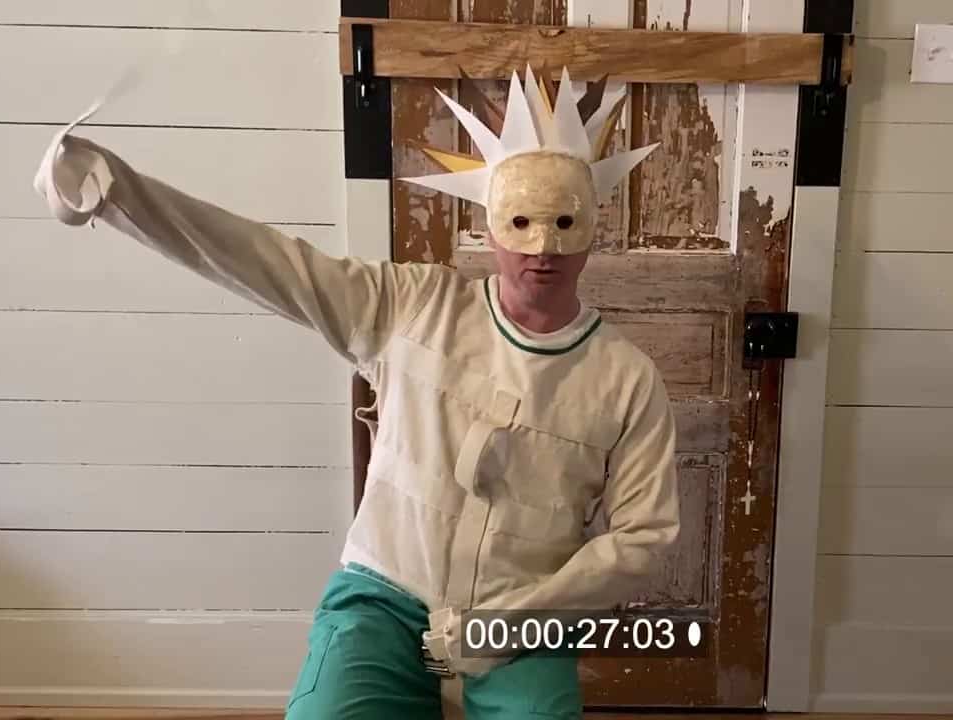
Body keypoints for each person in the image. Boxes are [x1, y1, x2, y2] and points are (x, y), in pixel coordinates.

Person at [33, 65, 680, 720]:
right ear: (489, 224)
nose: (543, 247)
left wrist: (515, 620)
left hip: (524, 623)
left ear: (594, 224)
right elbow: (271, 263)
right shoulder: (413, 306)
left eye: (565, 222)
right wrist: (121, 194)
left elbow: (643, 536)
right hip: (383, 600)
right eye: (521, 221)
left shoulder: (626, 379)